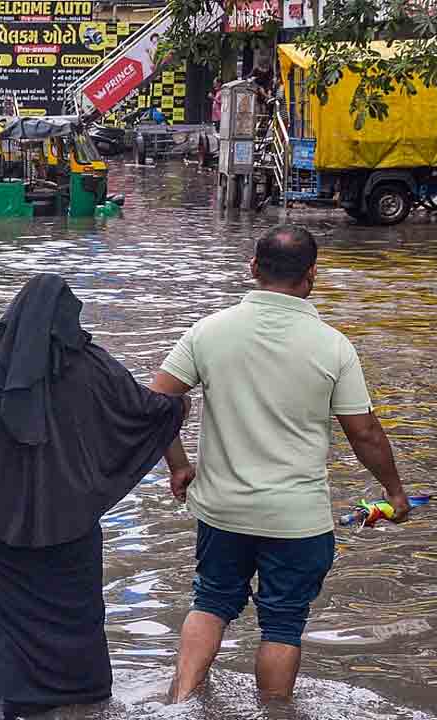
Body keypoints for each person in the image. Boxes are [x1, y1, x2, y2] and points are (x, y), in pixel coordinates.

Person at [150, 225, 411, 703]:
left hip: (223, 510)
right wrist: (394, 492)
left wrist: (179, 464)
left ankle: (179, 704)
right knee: (283, 622)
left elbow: (154, 404)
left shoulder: (209, 331)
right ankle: (274, 713)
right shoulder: (333, 346)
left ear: (253, 267)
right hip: (296, 519)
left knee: (210, 602)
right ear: (312, 275)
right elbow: (365, 433)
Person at [0, 274, 190, 720]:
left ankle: (1, 702)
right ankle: (77, 701)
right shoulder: (92, 366)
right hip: (70, 522)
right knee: (72, 616)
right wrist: (177, 410)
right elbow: (142, 412)